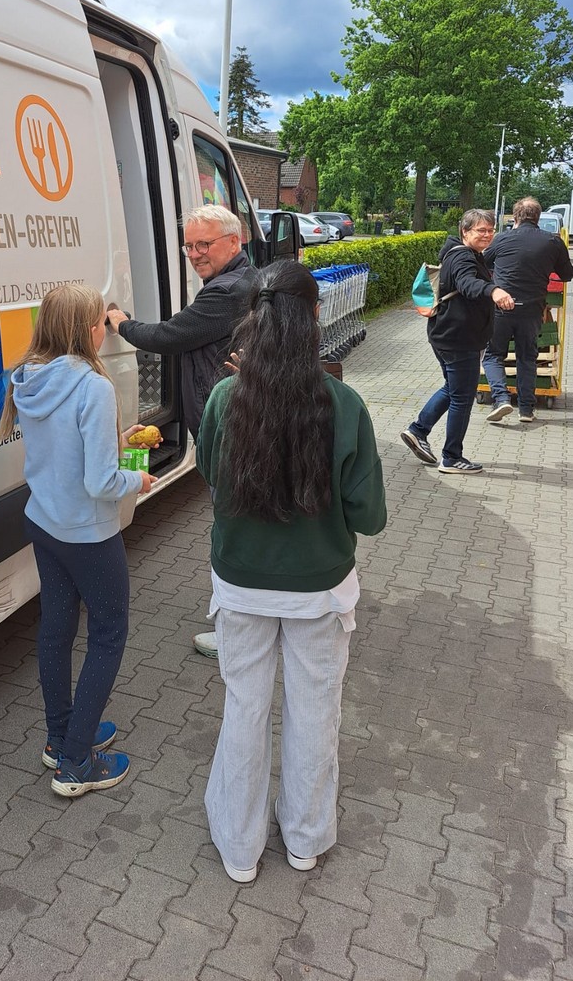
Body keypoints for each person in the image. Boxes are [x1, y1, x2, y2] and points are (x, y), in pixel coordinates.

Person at [195, 261, 387, 882]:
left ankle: (239, 847)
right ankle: (305, 839)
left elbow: (210, 476)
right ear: (315, 316)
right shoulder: (344, 403)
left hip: (240, 583)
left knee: (244, 711)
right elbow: (370, 515)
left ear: (252, 318)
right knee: (314, 713)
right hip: (321, 589)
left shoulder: (225, 398)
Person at [0, 283, 156, 798]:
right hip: (88, 534)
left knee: (56, 629)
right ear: (87, 330)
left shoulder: (29, 377)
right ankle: (76, 763)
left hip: (44, 523)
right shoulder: (92, 386)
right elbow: (100, 482)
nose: (105, 329)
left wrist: (116, 442)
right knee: (108, 634)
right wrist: (138, 479)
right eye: (101, 322)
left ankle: (60, 735)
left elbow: (65, 451)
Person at [106, 204, 257, 660]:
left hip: (229, 433)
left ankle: (238, 633)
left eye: (203, 244)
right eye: (189, 246)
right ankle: (247, 617)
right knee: (240, 529)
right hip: (238, 426)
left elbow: (168, 336)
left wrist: (120, 322)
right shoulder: (243, 279)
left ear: (234, 241)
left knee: (233, 535)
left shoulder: (226, 291)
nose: (194, 254)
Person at [400, 209, 514, 474]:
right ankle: (452, 457)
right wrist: (493, 290)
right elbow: (467, 284)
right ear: (465, 231)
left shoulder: (466, 253)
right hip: (459, 340)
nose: (487, 235)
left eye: (491, 230)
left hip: (447, 335)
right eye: (481, 230)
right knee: (462, 397)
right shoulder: (463, 257)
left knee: (453, 388)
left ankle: (418, 430)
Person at [481, 196, 573, 423]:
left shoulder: (502, 239)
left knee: (493, 355)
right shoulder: (552, 242)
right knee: (527, 358)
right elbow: (567, 275)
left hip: (501, 307)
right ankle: (526, 410)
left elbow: (482, 264)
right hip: (532, 309)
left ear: (515, 217)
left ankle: (501, 399)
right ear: (538, 217)